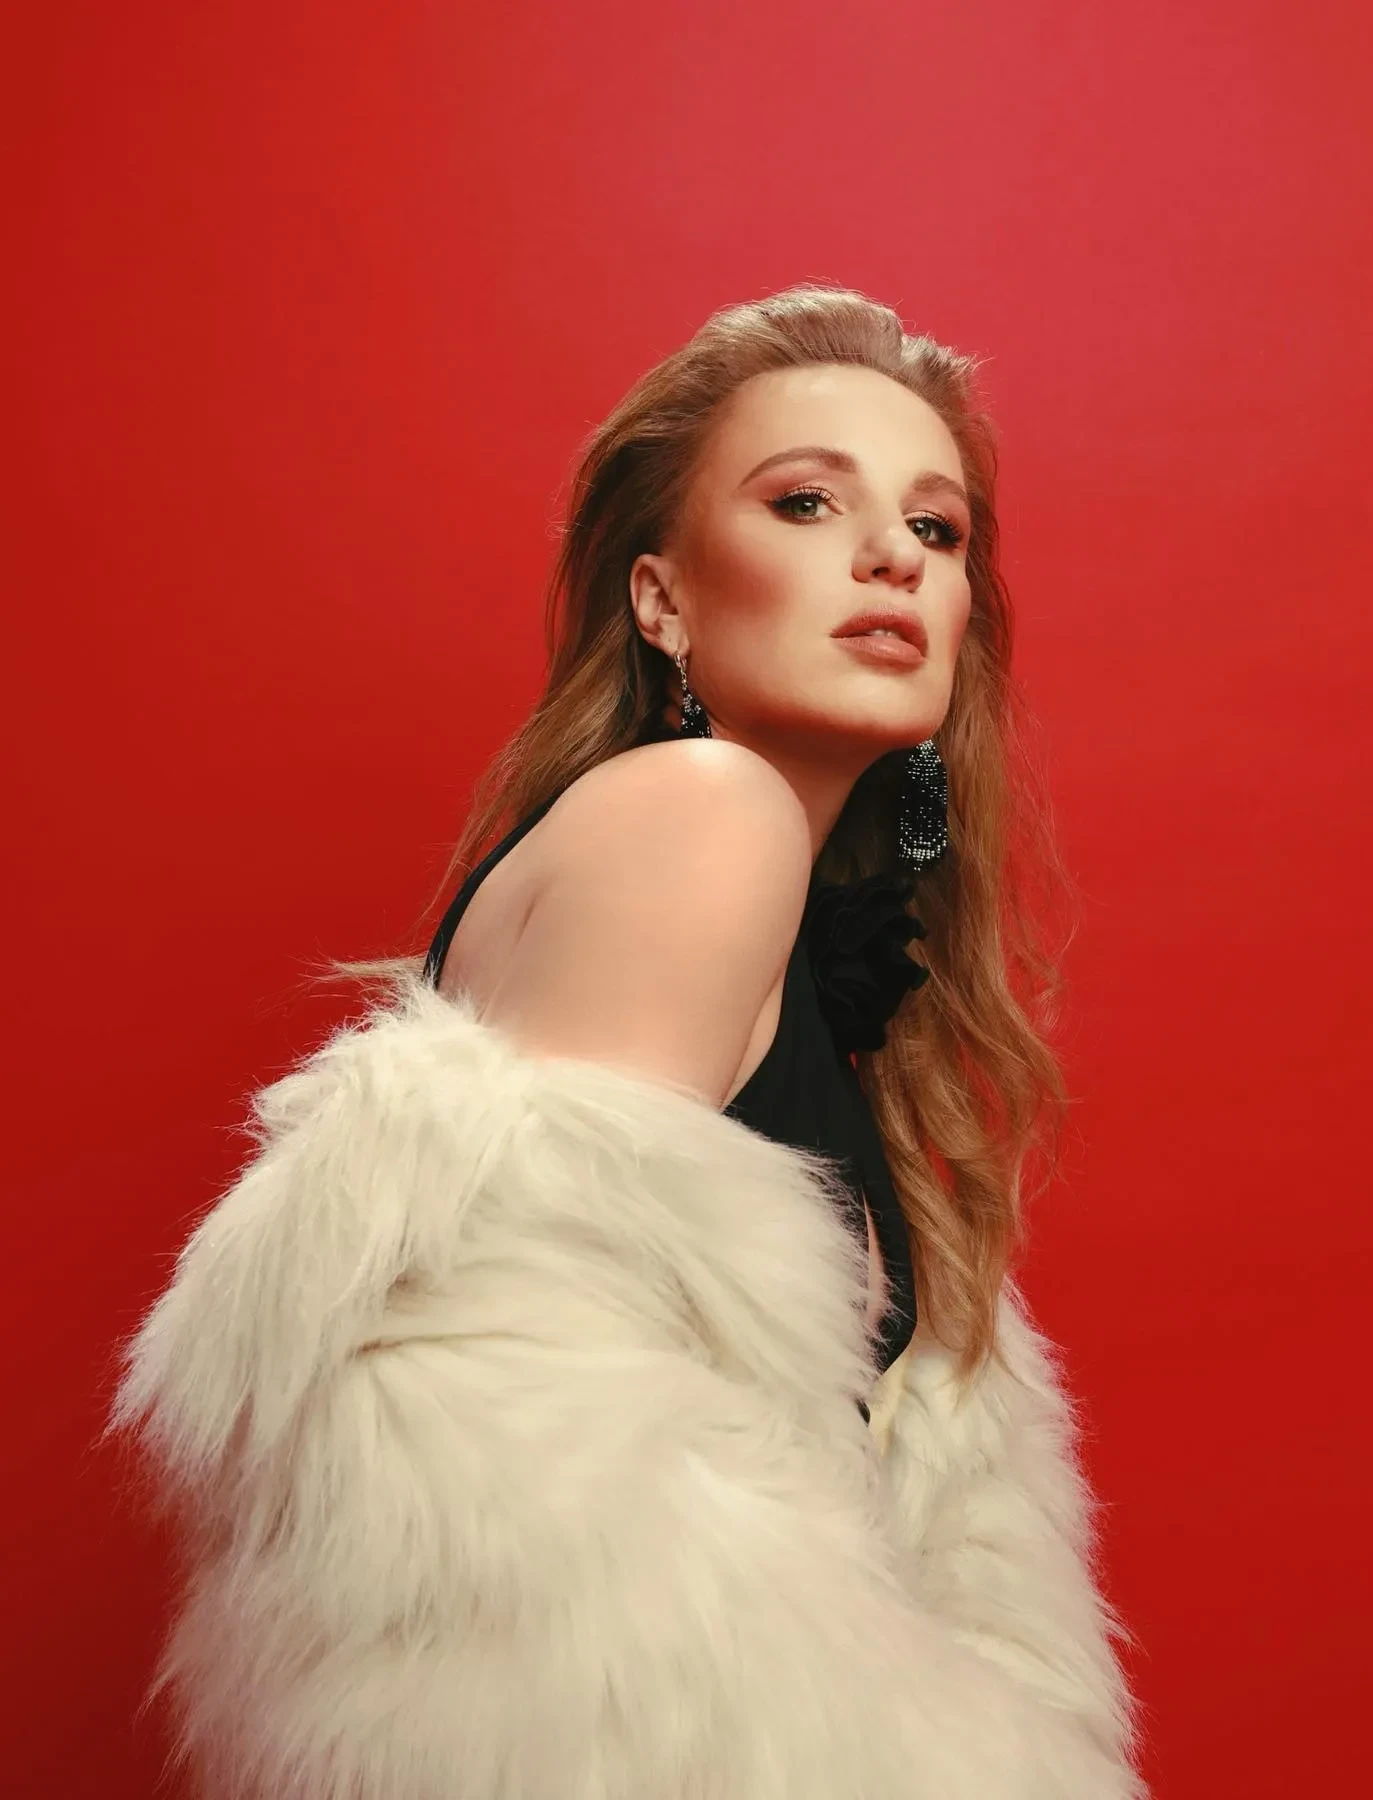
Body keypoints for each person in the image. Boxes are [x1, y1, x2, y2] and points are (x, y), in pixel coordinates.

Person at [110, 283, 1148, 1799]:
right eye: (806, 503)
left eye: (937, 530)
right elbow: (545, 1520)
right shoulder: (705, 815)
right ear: (661, 601)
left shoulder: (749, 897)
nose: (892, 558)